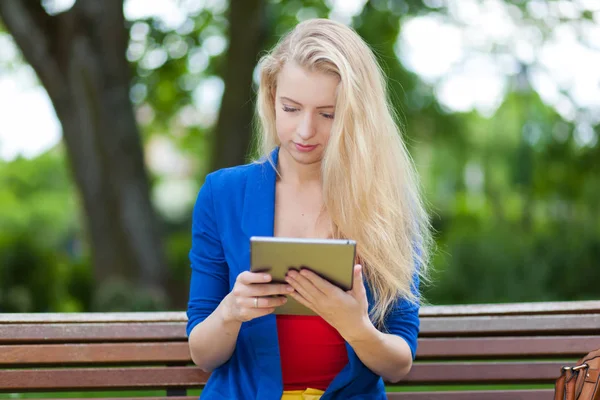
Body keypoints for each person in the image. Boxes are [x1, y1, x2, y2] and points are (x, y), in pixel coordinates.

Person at [186, 18, 432, 400]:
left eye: (327, 114)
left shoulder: (386, 205)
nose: (304, 130)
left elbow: (399, 363)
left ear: (355, 116)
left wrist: (356, 327)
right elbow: (203, 354)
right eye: (291, 108)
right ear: (271, 98)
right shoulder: (223, 194)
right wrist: (231, 311)